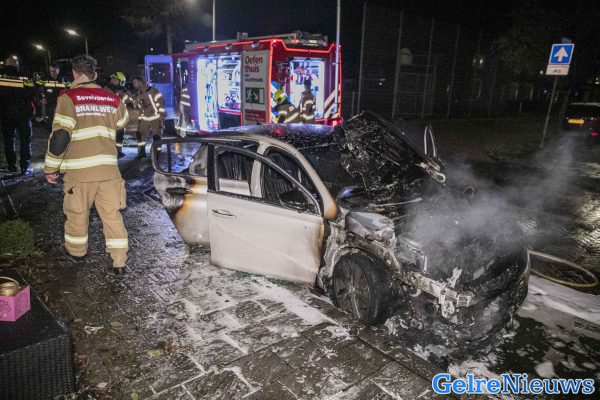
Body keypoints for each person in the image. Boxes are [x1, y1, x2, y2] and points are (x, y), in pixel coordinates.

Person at [44, 54, 130, 277]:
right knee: (112, 216)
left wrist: (50, 168)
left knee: (78, 214)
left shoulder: (68, 97)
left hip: (80, 173)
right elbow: (122, 122)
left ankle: (77, 253)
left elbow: (60, 136)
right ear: (95, 74)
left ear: (74, 73)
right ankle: (119, 262)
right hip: (109, 171)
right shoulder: (112, 98)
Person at [0, 56, 35, 174]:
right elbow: (32, 93)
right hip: (23, 113)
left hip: (5, 114)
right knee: (25, 140)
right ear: (17, 65)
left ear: (5, 64)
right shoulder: (24, 76)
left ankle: (11, 166)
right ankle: (25, 166)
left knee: (9, 140)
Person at [132, 77, 165, 159]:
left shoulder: (153, 91)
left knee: (157, 136)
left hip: (155, 117)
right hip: (144, 118)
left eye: (135, 82)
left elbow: (161, 103)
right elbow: (139, 108)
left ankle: (157, 153)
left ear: (140, 82)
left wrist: (161, 116)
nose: (134, 85)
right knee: (140, 135)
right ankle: (141, 152)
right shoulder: (138, 94)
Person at [105, 72, 133, 158]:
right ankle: (111, 152)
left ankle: (119, 151)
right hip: (109, 116)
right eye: (113, 79)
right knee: (110, 135)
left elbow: (130, 100)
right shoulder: (106, 90)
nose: (113, 80)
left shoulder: (123, 91)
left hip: (120, 116)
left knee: (120, 136)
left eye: (116, 79)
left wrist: (126, 93)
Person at [35, 63, 65, 129]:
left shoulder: (64, 80)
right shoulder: (44, 79)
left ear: (58, 71)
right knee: (50, 124)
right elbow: (37, 90)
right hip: (48, 105)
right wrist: (41, 98)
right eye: (51, 71)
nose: (52, 73)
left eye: (54, 71)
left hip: (60, 104)